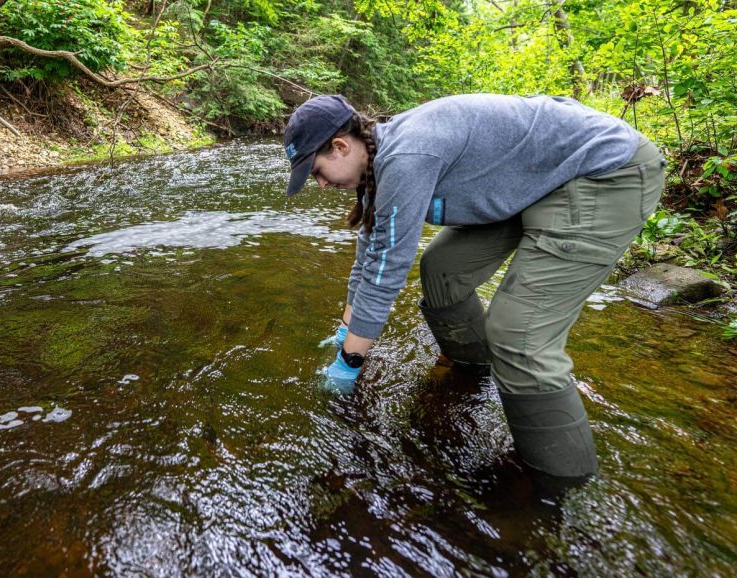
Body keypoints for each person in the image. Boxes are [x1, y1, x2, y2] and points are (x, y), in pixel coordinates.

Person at [283, 94, 665, 478]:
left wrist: (349, 363)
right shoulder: (376, 162)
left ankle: (561, 488)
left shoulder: (405, 157)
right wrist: (346, 329)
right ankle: (473, 369)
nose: (319, 184)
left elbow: (387, 270)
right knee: (443, 268)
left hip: (605, 173)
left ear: (340, 146)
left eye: (316, 172)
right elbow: (370, 249)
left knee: (518, 337)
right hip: (538, 180)